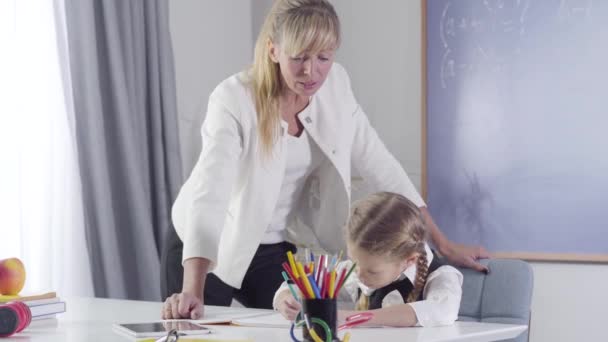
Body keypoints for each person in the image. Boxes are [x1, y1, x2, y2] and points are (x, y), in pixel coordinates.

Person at [162, 0, 488, 320]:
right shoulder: (234, 98)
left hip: (273, 245)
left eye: (323, 57)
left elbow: (380, 164)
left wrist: (441, 243)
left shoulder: (336, 86)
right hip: (209, 244)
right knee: (195, 329)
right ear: (274, 50)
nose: (311, 71)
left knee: (306, 321)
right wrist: (193, 286)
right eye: (299, 57)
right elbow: (210, 193)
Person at [274, 192, 463, 327]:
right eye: (355, 263)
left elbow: (440, 310)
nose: (359, 275)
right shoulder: (357, 271)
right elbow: (300, 285)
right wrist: (285, 298)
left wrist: (352, 317)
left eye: (372, 271)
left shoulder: (441, 276)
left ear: (409, 260)